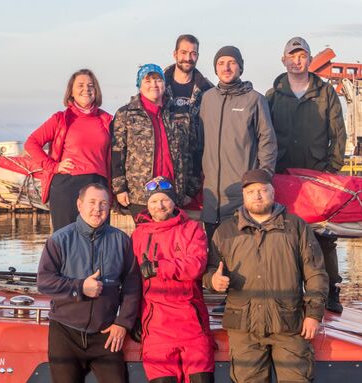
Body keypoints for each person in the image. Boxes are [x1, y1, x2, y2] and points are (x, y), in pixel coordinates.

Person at [203, 169, 328, 383]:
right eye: (251, 192)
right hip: (244, 325)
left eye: (262, 190)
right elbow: (207, 271)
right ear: (243, 197)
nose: (257, 196)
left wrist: (313, 313)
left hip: (290, 322)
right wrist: (213, 281)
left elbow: (316, 273)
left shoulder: (296, 227)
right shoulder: (226, 232)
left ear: (273, 193)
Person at [37, 183, 141, 383]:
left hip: (106, 334)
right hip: (65, 332)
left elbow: (133, 286)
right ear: (80, 205)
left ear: (110, 208)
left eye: (104, 204)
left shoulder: (121, 241)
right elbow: (44, 282)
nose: (98, 209)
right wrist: (78, 286)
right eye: (92, 202)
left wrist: (123, 322)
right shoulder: (60, 239)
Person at [131, 176, 219, 383]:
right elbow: (132, 279)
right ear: (148, 205)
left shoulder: (193, 229)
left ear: (174, 202)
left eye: (165, 200)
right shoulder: (138, 234)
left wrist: (158, 267)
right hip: (155, 325)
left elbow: (195, 265)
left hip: (191, 321)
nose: (160, 205)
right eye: (154, 201)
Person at [266, 36, 348, 313]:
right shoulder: (273, 95)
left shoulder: (326, 93)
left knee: (324, 235)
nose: (297, 61)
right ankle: (290, 290)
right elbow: (263, 134)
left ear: (310, 60)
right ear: (284, 60)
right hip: (283, 174)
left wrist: (331, 169)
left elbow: (338, 134)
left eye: (302, 56)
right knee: (286, 234)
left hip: (316, 174)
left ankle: (331, 291)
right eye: (293, 56)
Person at [199, 46, 277, 241]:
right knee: (214, 258)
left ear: (240, 68)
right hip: (212, 198)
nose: (226, 67)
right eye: (221, 63)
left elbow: (267, 140)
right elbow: (199, 141)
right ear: (215, 69)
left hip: (242, 196)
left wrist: (264, 176)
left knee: (243, 256)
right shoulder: (207, 99)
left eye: (232, 63)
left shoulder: (255, 100)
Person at [25, 69, 112, 231]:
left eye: (90, 85)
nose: (86, 89)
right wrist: (53, 166)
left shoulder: (107, 120)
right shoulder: (61, 119)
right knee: (66, 242)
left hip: (98, 185)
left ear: (96, 91)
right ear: (71, 91)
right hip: (67, 186)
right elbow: (31, 143)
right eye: (80, 85)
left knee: (100, 243)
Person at [111, 64, 200, 219]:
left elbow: (193, 151)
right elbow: (118, 152)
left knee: (172, 239)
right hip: (140, 194)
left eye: (158, 80)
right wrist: (120, 189)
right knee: (147, 240)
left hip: (173, 193)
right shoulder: (126, 114)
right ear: (139, 85)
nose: (154, 85)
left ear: (164, 84)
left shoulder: (180, 113)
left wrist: (191, 189)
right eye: (148, 81)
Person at [163, 34, 213, 183]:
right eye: (184, 52)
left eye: (193, 53)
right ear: (175, 54)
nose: (188, 57)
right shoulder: (158, 87)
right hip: (165, 167)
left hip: (196, 170)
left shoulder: (208, 90)